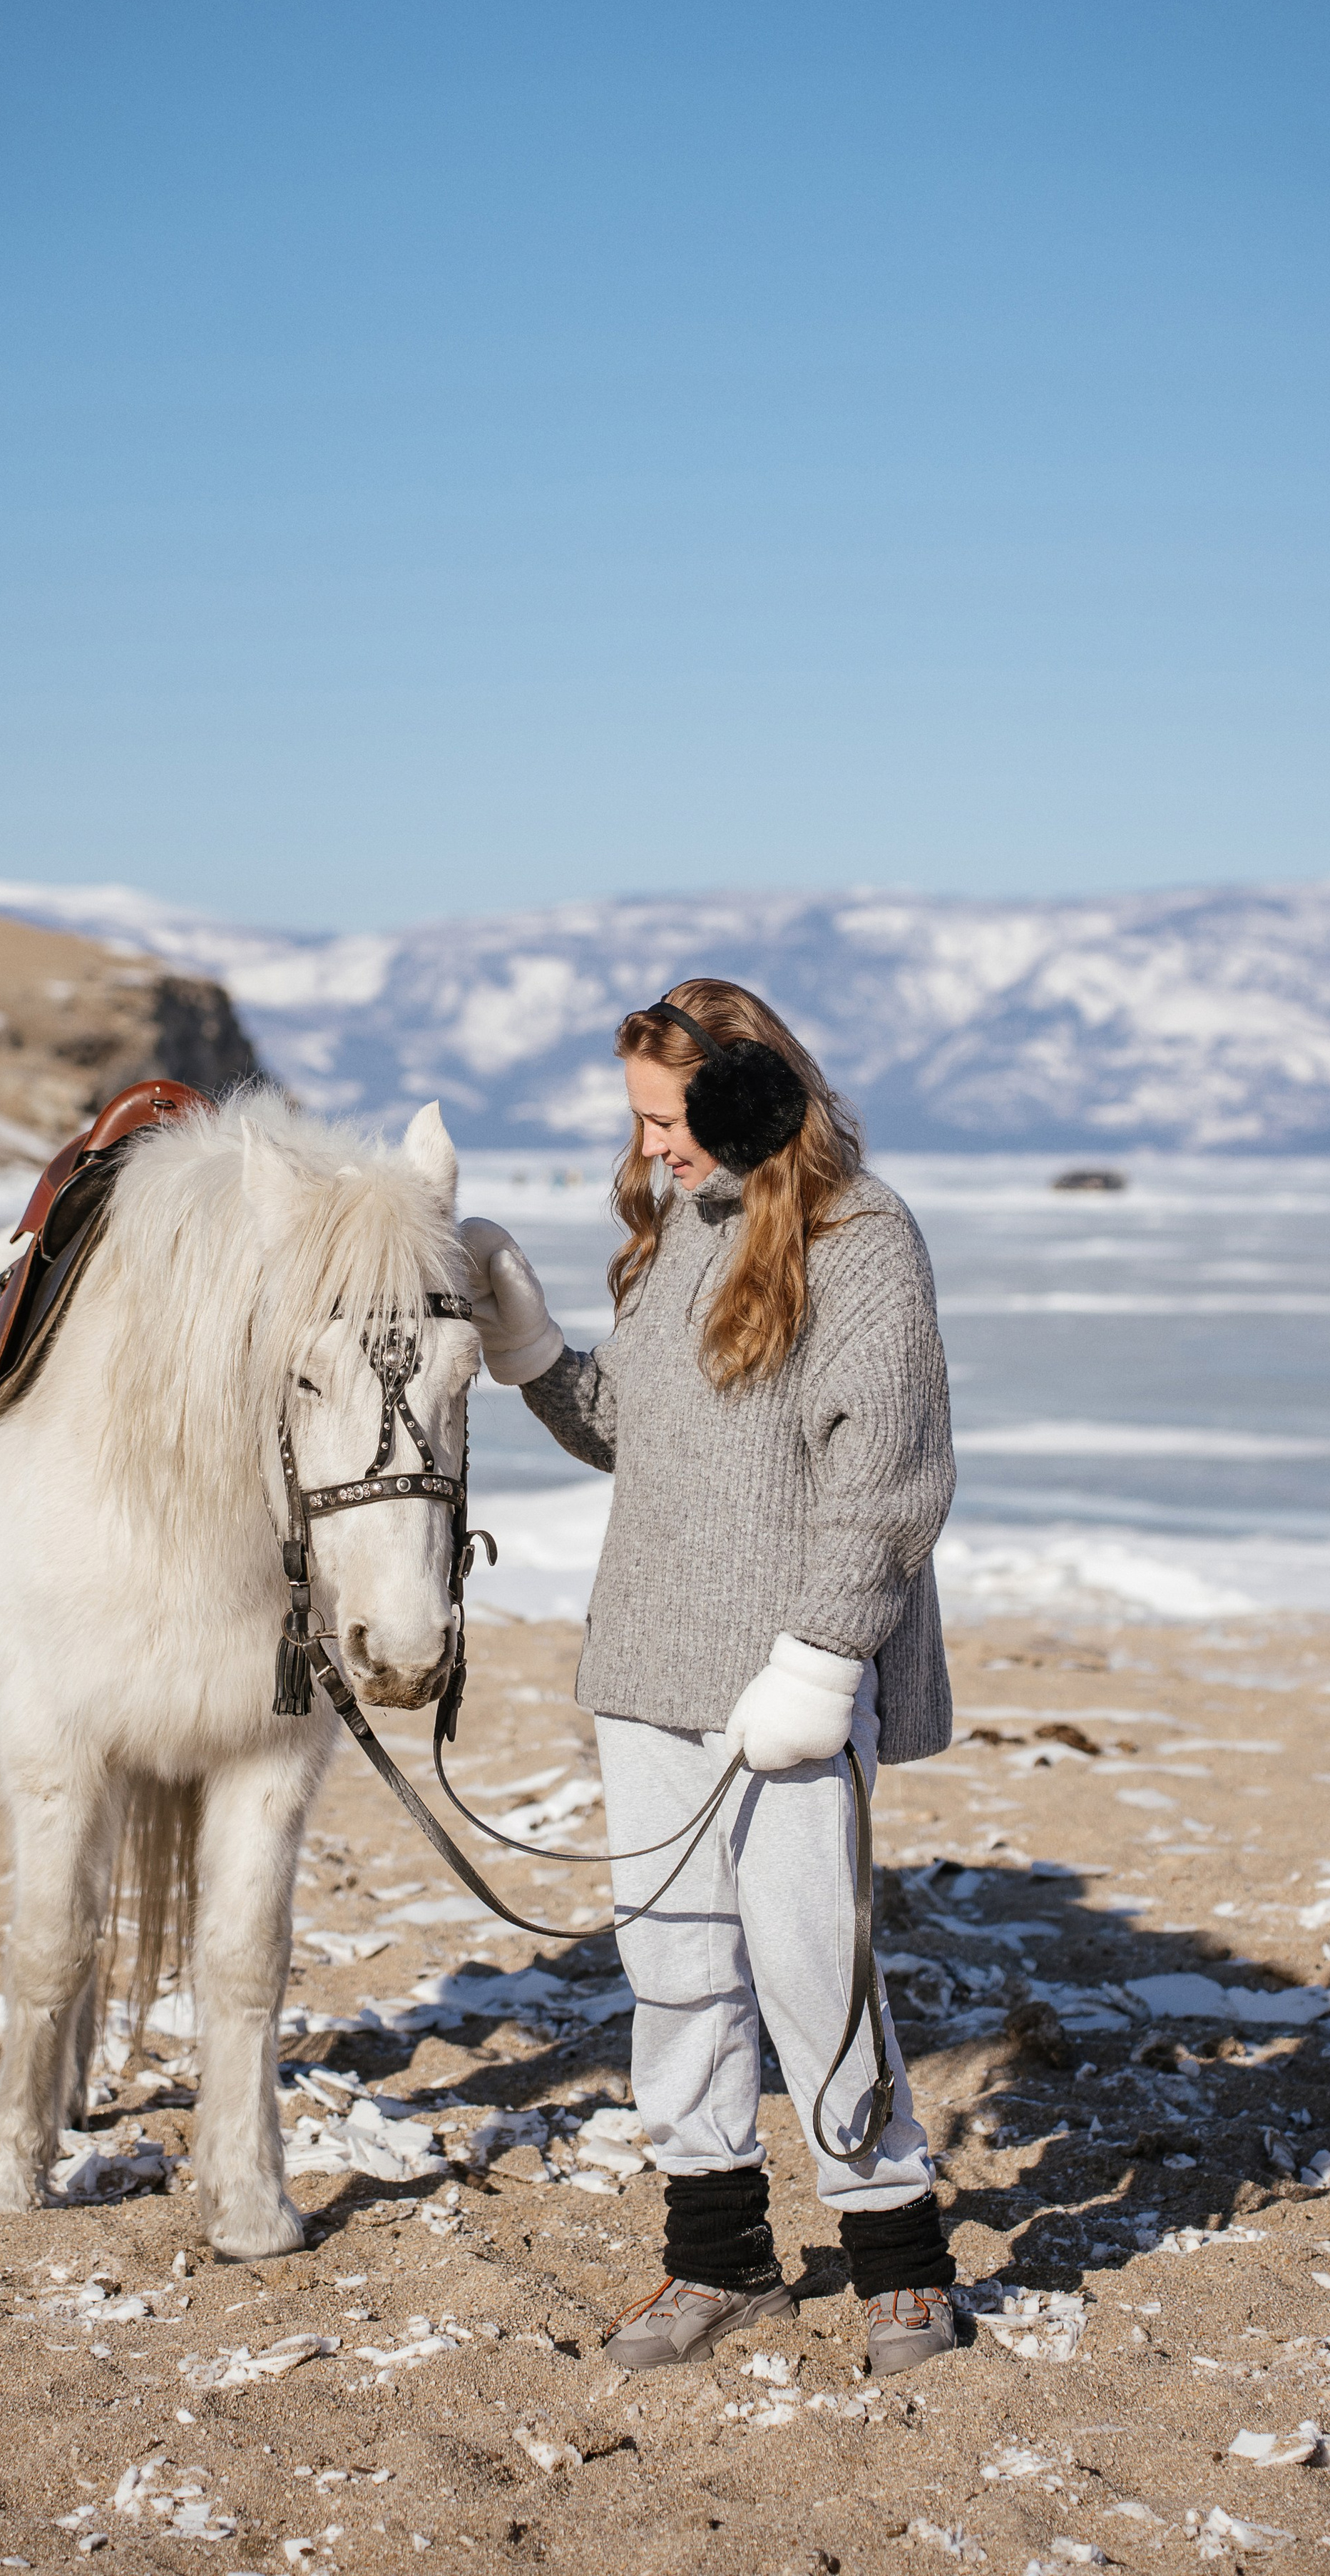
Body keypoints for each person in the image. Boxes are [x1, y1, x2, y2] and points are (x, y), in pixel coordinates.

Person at [459, 980, 959, 2376]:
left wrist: (819, 1657)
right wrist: (533, 1353)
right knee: (674, 1972)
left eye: (667, 1120)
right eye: (635, 1121)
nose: (651, 1148)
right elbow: (631, 1430)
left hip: (791, 1670)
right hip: (647, 1657)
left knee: (812, 1966)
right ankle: (716, 2261)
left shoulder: (862, 1238)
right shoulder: (677, 1233)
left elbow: (891, 1480)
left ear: (746, 1098)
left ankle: (898, 2265)